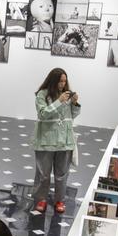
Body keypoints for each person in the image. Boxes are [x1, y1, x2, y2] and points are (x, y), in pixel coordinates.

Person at [32, 68, 80, 214]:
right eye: (60, 81)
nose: (63, 84)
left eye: (65, 81)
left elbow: (72, 116)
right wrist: (59, 101)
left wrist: (74, 104)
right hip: (46, 140)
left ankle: (60, 200)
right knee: (43, 174)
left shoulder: (66, 95)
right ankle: (41, 199)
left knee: (62, 174)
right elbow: (42, 114)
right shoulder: (42, 94)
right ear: (53, 81)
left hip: (64, 141)